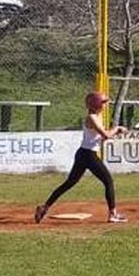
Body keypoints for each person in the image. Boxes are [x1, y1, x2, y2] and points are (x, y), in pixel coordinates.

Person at [35, 92, 129, 224]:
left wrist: (113, 134)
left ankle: (45, 207)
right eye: (102, 103)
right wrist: (117, 129)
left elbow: (101, 137)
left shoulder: (98, 116)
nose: (105, 106)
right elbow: (106, 135)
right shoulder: (92, 118)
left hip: (84, 153)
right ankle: (112, 214)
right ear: (95, 104)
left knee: (69, 183)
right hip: (88, 155)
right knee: (108, 181)